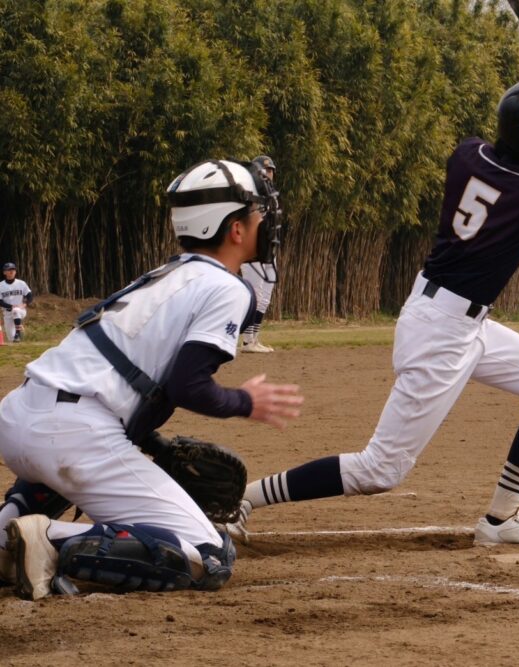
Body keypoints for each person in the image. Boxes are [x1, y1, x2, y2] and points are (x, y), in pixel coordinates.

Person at [223, 78, 519, 547]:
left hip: (462, 320)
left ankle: (501, 520)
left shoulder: (467, 155)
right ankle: (241, 499)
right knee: (380, 469)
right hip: (441, 333)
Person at [0, 159, 303, 600]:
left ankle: (7, 530)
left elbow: (124, 376)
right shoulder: (228, 287)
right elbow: (188, 385)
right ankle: (51, 540)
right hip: (74, 434)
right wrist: (245, 402)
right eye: (257, 213)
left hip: (21, 416)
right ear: (235, 229)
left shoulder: (167, 274)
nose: (265, 221)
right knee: (209, 556)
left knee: (71, 456)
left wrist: (149, 441)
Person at [240, 155, 279, 353]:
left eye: (270, 170)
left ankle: (254, 338)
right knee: (255, 294)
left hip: (268, 249)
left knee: (265, 296)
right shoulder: (250, 193)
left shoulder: (271, 195)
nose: (268, 174)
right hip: (252, 250)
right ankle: (247, 340)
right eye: (264, 170)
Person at [1, 263, 33, 343]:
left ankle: (18, 333)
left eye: (13, 269)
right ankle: (18, 330)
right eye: (9, 270)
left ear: (15, 272)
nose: (11, 271)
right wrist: (10, 306)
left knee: (16, 310)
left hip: (20, 310)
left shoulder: (21, 283)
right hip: (7, 312)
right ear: (4, 272)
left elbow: (30, 296)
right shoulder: (1, 285)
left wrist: (25, 304)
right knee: (12, 339)